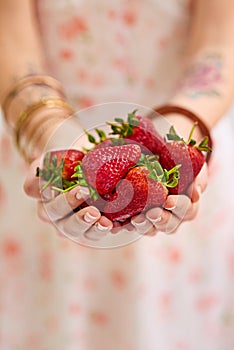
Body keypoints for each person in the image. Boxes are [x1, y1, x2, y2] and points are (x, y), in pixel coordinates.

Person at [0, 0, 234, 349]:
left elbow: (218, 44)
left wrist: (177, 133)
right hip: (46, 145)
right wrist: (53, 134)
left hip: (176, 139)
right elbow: (12, 40)